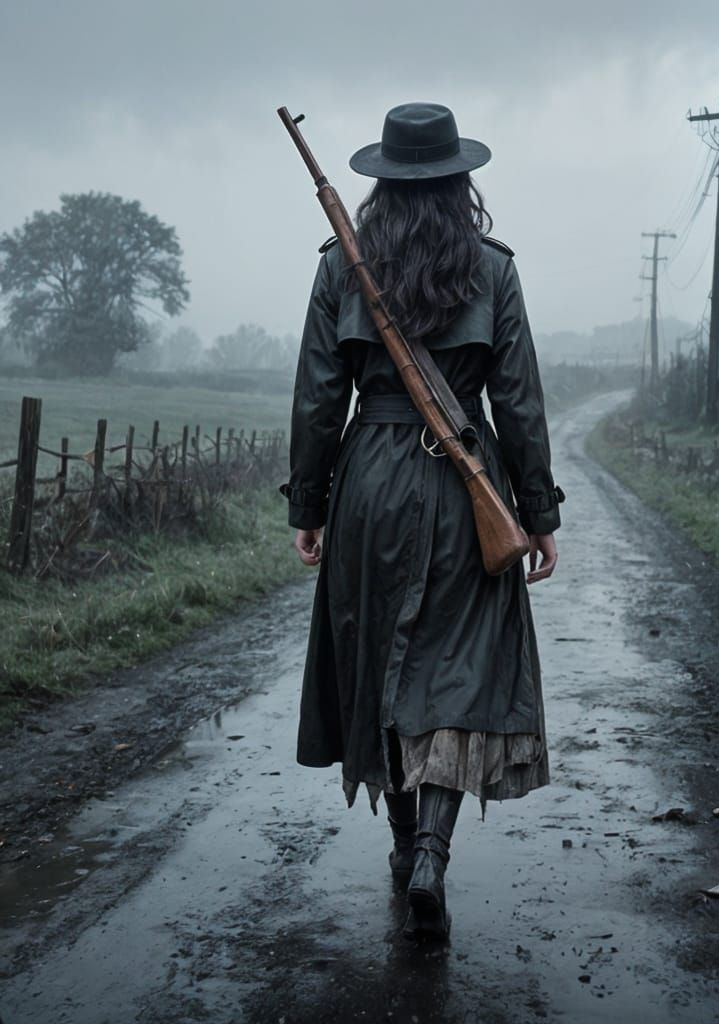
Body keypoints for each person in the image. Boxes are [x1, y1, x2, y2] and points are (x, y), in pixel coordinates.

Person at [279, 102, 564, 942]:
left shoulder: (340, 267)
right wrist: (538, 512)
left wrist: (309, 506)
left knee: (382, 668)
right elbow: (518, 400)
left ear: (384, 182)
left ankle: (407, 848)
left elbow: (318, 397)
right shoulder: (494, 269)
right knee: (454, 672)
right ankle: (434, 852)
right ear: (458, 181)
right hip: (466, 486)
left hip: (369, 487)